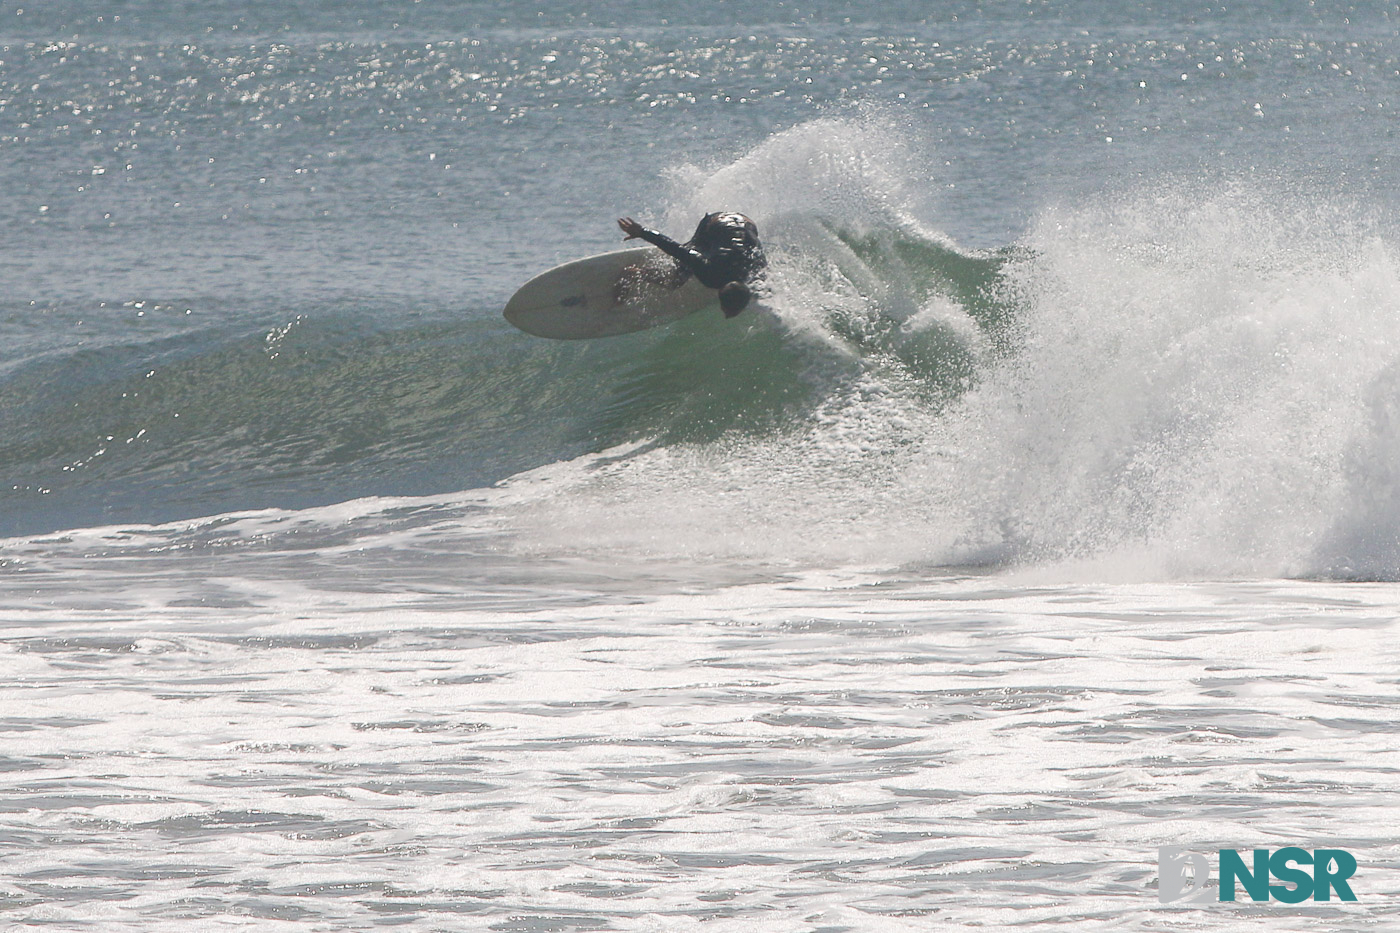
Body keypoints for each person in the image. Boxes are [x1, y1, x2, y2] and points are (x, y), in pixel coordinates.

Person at [617, 212, 766, 317]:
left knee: (717, 250)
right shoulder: (710, 274)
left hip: (743, 221)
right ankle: (634, 274)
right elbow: (678, 250)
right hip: (713, 225)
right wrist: (642, 232)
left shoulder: (756, 267)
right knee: (676, 279)